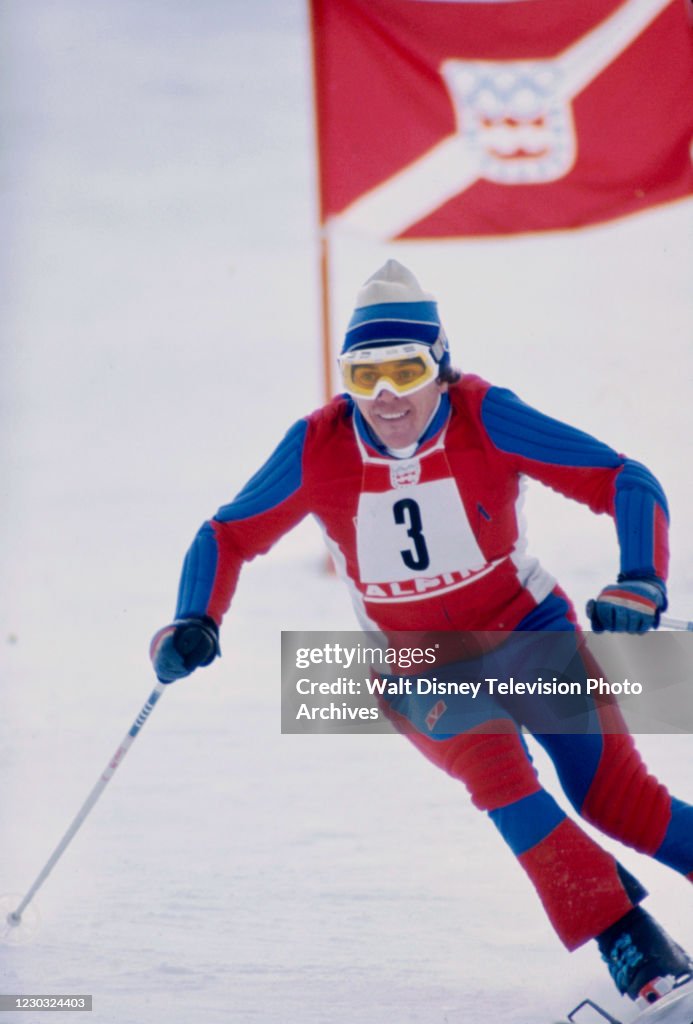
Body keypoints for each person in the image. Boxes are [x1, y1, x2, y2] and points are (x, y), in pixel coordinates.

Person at [151, 260, 692, 1007]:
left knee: (615, 799)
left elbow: (623, 479)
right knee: (497, 770)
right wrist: (194, 618)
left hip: (526, 631)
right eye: (361, 374)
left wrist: (640, 577)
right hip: (415, 669)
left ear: (439, 367)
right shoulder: (319, 445)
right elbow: (228, 534)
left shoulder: (484, 414)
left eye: (405, 371)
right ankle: (629, 942)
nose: (383, 397)